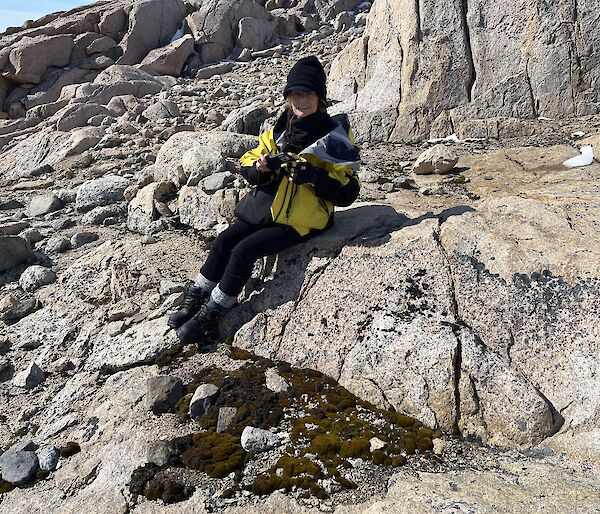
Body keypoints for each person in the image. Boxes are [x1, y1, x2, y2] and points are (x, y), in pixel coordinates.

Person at [168, 55, 361, 344]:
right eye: (295, 93)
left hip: (302, 219)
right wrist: (260, 168)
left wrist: (312, 176)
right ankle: (197, 294)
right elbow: (248, 161)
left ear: (319, 98)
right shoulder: (279, 130)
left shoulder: (336, 137)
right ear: (288, 98)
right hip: (267, 209)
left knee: (243, 251)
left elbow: (349, 189)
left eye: (308, 93)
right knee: (223, 241)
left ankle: (215, 309)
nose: (301, 100)